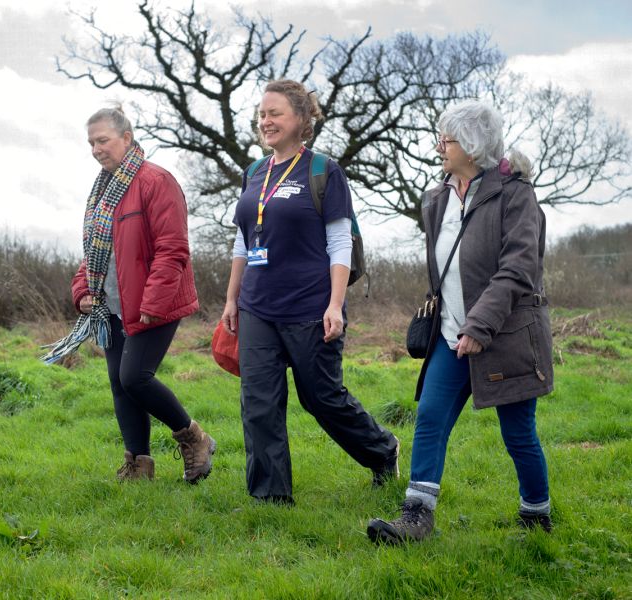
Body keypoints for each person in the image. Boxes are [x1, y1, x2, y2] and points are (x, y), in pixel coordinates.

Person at [367, 100, 554, 544]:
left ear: (471, 146)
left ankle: (536, 514)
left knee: (517, 432)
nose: (438, 147)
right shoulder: (436, 199)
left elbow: (518, 269)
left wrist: (480, 325)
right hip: (450, 335)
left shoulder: (515, 195)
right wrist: (457, 323)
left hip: (506, 335)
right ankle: (416, 516)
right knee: (430, 416)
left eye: (446, 139)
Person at [221, 79, 399, 505]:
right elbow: (244, 241)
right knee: (258, 402)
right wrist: (231, 298)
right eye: (262, 114)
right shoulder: (254, 173)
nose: (265, 121)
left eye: (275, 113)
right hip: (257, 305)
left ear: (301, 119)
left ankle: (382, 451)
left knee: (321, 398)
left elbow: (339, 242)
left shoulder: (323, 171)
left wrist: (336, 304)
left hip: (309, 305)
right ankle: (270, 499)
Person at [43, 106, 216, 484]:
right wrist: (83, 291)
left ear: (126, 137)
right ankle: (139, 465)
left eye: (102, 140)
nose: (95, 149)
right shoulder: (103, 190)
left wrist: (152, 303)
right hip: (112, 309)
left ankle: (195, 438)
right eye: (91, 142)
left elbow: (173, 249)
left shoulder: (156, 181)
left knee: (135, 377)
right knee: (120, 385)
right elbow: (94, 254)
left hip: (153, 304)